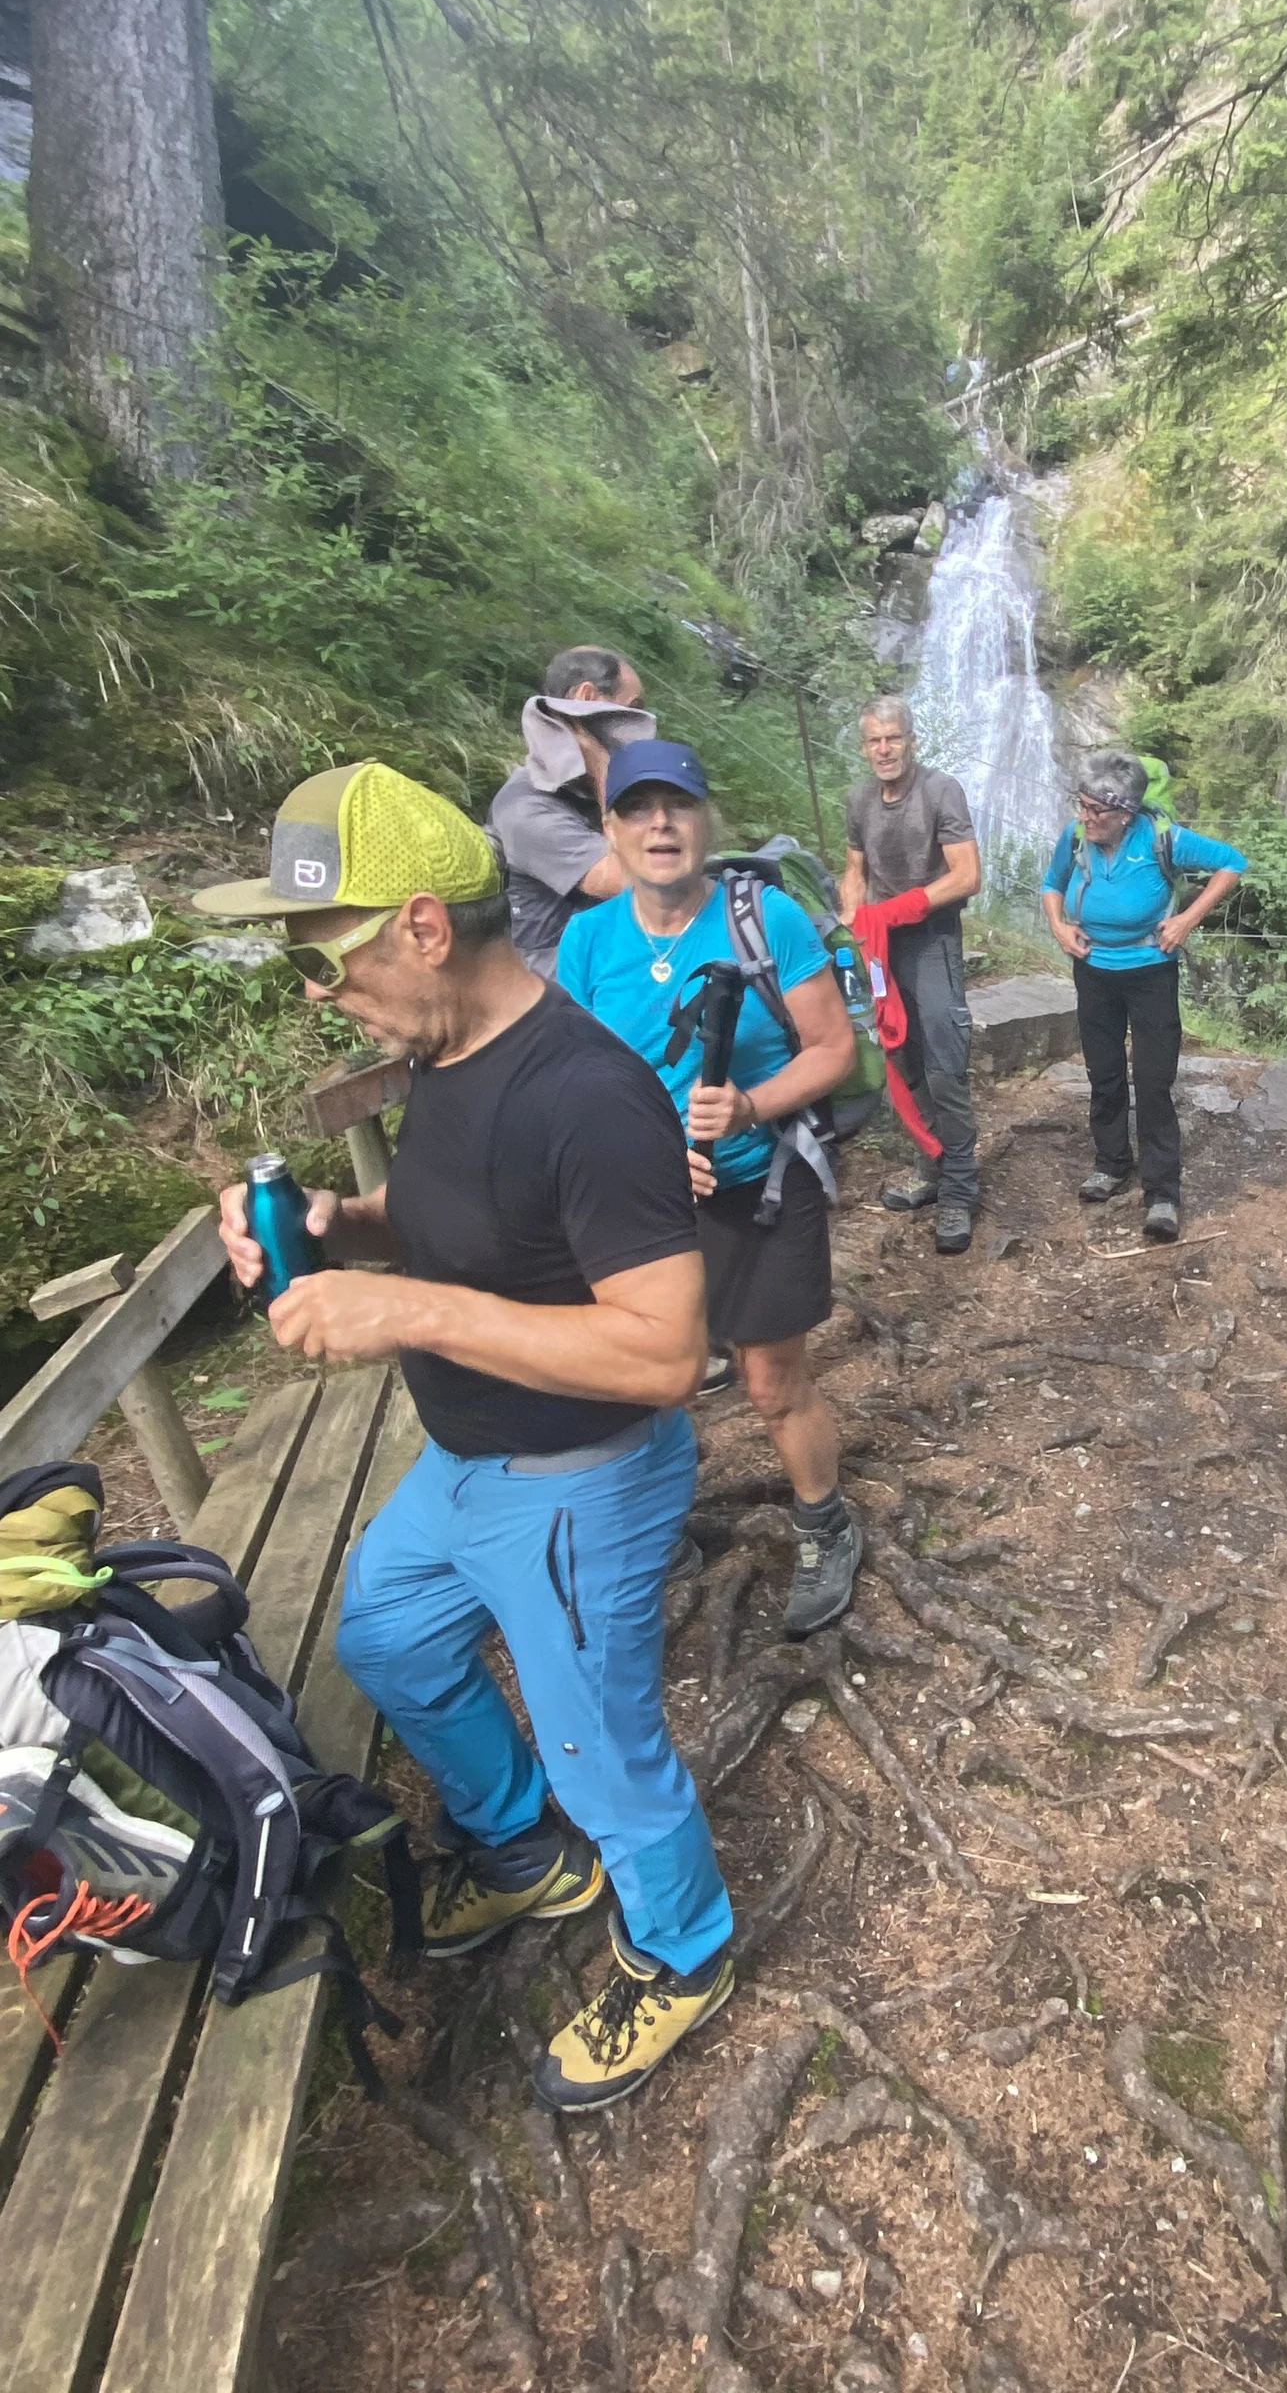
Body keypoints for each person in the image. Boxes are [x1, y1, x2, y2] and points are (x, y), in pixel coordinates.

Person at [193, 759, 734, 2115]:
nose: (316, 996)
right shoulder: (443, 1058)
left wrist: (412, 1308)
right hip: (466, 1464)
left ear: (423, 927)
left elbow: (665, 1353)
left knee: (602, 1750)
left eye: (323, 963)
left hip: (576, 1485)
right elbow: (481, 1236)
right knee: (383, 1637)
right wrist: (341, 1229)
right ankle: (525, 1857)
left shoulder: (589, 1096)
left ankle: (685, 1953)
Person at [558, 741, 865, 1640]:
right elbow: (571, 1079)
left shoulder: (764, 919)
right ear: (610, 831)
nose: (662, 824)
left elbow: (835, 1051)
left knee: (772, 1382)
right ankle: (664, 1529)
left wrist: (748, 1109)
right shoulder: (587, 940)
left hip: (757, 1185)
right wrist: (635, 1159)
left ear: (705, 821)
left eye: (680, 805)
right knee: (655, 1379)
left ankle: (825, 1523)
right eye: (639, 810)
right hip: (645, 1202)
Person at [1041, 751, 1245, 1244]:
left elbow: (1232, 863)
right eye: (1082, 804)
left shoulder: (1162, 840)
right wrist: (1059, 929)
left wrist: (1185, 919)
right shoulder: (1074, 838)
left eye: (1096, 810)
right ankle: (1111, 1164)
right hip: (1092, 969)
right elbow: (1052, 885)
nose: (1085, 816)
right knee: (1104, 1072)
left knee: (1153, 1081)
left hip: (1151, 971)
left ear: (1126, 812)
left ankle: (1162, 1194)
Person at [840, 695, 983, 1254]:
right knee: (903, 1060)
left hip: (930, 939)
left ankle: (961, 1190)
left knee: (945, 1062)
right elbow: (855, 870)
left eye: (892, 738)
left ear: (911, 739)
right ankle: (931, 1167)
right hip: (878, 947)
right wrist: (854, 921)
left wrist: (903, 908)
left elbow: (968, 875)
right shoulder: (859, 799)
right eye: (874, 740)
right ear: (865, 746)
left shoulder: (940, 790)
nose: (883, 749)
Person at [488, 645, 659, 976]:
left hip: (609, 957)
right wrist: (601, 764)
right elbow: (642, 879)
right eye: (633, 709)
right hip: (553, 988)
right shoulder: (527, 806)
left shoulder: (585, 793)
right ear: (587, 697)